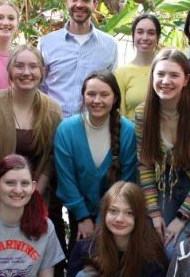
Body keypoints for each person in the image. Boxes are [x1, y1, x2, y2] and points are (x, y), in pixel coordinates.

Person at [135, 48, 190, 257]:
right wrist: (154, 213)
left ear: (186, 79)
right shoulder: (143, 114)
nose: (165, 81)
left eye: (174, 75)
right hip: (165, 184)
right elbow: (144, 165)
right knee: (152, 245)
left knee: (174, 250)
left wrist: (181, 218)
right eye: (160, 74)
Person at [0, 45, 62, 207]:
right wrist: (1, 207)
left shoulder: (53, 112)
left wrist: (33, 201)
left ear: (42, 71)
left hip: (32, 201)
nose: (26, 72)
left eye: (33, 66)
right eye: (19, 66)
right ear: (9, 70)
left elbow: (49, 162)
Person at [54, 70, 137, 249]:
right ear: (83, 96)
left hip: (117, 214)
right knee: (81, 261)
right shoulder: (66, 130)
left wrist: (104, 219)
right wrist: (83, 217)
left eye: (104, 94)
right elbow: (66, 178)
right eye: (91, 94)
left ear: (115, 98)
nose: (97, 100)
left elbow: (128, 178)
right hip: (79, 215)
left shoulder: (128, 131)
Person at [38, 0, 118, 118]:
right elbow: (39, 87)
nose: (79, 5)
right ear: (67, 3)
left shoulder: (109, 46)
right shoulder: (46, 44)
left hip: (92, 127)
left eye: (86, 0)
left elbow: (110, 90)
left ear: (95, 5)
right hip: (52, 125)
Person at [114, 14, 161, 120]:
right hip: (133, 134)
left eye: (151, 33)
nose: (145, 37)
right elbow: (120, 114)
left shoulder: (166, 70)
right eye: (140, 32)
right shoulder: (121, 73)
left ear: (158, 37)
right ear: (133, 35)